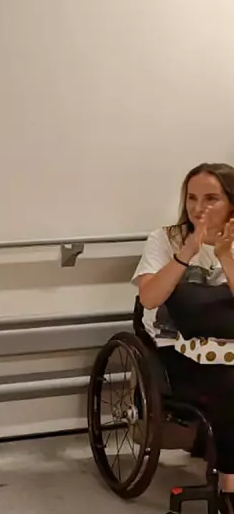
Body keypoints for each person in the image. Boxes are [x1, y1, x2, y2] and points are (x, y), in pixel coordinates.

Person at [133, 162, 234, 512]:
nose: (199, 208)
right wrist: (187, 252)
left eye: (211, 198)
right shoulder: (165, 239)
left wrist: (225, 255)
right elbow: (148, 299)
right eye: (192, 198)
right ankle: (228, 486)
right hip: (175, 349)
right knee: (230, 384)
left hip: (227, 346)